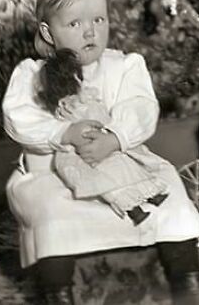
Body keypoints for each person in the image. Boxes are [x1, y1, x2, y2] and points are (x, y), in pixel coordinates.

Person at [3, 0, 199, 305]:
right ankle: (58, 291)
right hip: (54, 171)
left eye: (98, 20)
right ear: (48, 32)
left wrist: (115, 137)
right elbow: (19, 118)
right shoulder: (31, 74)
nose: (90, 32)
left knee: (170, 187)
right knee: (51, 210)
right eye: (74, 24)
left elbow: (141, 108)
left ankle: (186, 279)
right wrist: (62, 132)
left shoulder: (124, 66)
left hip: (120, 162)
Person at [37, 48, 169, 226]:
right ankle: (134, 210)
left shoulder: (85, 98)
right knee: (107, 181)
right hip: (85, 151)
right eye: (74, 78)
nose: (78, 81)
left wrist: (108, 128)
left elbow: (101, 116)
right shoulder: (68, 107)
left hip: (101, 140)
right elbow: (75, 124)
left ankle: (150, 194)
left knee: (126, 169)